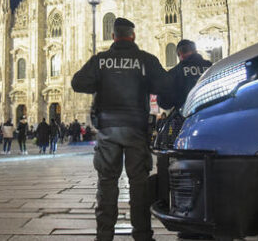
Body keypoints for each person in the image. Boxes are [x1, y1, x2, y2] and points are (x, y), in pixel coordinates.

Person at [72, 17, 167, 241]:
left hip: (108, 130)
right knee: (139, 185)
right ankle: (143, 235)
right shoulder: (146, 60)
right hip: (136, 129)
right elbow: (165, 86)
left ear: (113, 37)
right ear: (133, 36)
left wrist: (99, 82)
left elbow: (78, 83)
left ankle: (104, 236)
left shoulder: (101, 60)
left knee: (106, 184)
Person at [157, 39, 213, 240]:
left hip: (187, 129)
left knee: (186, 172)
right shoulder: (210, 68)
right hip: (215, 126)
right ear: (195, 50)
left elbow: (164, 101)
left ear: (179, 54)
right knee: (213, 171)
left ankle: (188, 220)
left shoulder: (176, 73)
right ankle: (213, 215)